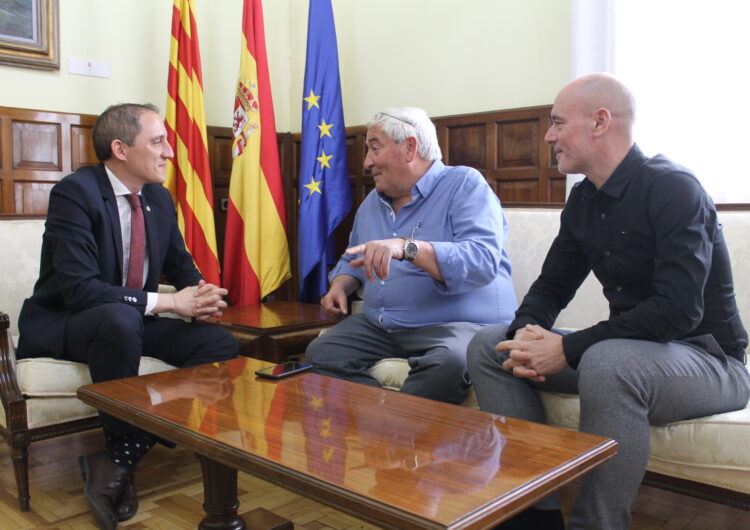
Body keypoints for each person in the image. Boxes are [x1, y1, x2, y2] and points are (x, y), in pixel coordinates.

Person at [467, 73, 750, 530]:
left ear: (600, 122)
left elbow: (678, 311)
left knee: (607, 361)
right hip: (630, 354)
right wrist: (524, 336)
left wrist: (565, 349)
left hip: (710, 362)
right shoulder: (583, 200)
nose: (549, 136)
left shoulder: (674, 189)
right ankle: (531, 514)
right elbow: (552, 287)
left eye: (557, 123)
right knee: (489, 345)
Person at [16, 103, 238, 530]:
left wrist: (204, 294)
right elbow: (80, 291)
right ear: (120, 148)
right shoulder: (75, 193)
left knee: (220, 345)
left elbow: (181, 266)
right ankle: (123, 452)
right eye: (158, 142)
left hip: (128, 320)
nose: (170, 152)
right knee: (118, 320)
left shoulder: (157, 196)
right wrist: (173, 303)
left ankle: (117, 459)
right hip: (67, 322)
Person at [305, 107, 517, 405]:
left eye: (374, 148)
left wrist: (408, 247)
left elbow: (481, 260)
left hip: (458, 325)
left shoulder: (465, 185)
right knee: (322, 352)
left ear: (410, 148)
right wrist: (340, 286)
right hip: (384, 326)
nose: (367, 162)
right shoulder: (372, 203)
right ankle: (386, 421)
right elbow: (351, 258)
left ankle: (396, 435)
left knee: (450, 364)